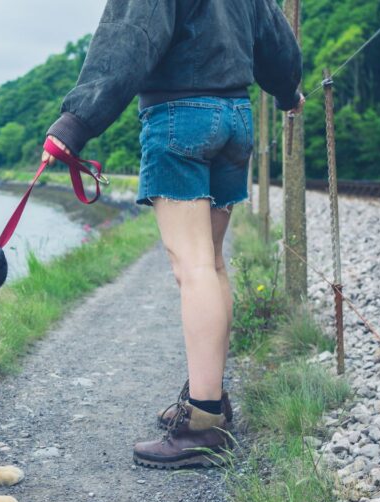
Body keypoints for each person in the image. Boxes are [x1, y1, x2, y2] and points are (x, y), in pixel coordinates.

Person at [44, 0, 304, 469]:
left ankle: (203, 423)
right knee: (213, 263)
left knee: (195, 266)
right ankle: (212, 400)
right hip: (234, 117)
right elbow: (275, 37)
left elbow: (129, 37)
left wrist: (75, 124)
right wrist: (288, 92)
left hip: (180, 117)